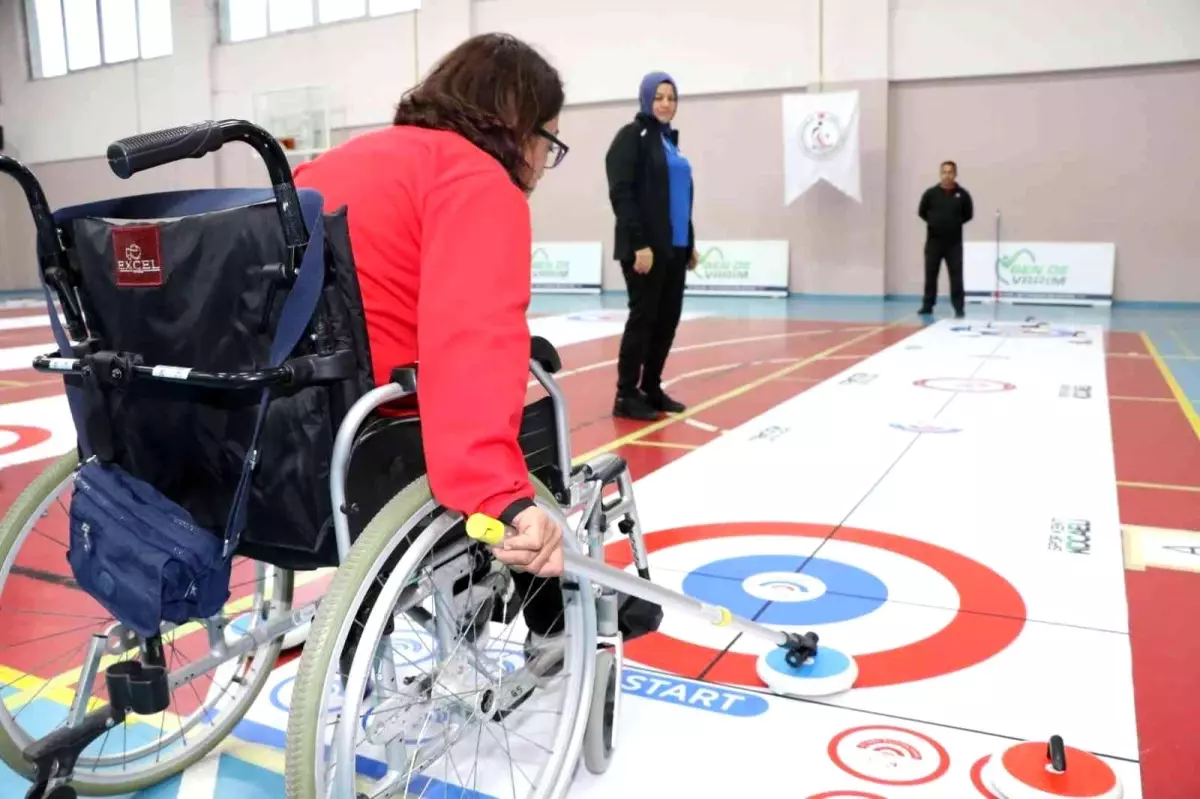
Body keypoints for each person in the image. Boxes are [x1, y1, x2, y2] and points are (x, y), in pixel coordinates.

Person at [291, 33, 569, 658]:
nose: (542, 162)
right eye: (548, 140)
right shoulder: (477, 182)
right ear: (521, 125)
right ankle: (551, 614)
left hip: (290, 435)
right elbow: (473, 341)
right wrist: (503, 497)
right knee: (532, 402)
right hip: (380, 435)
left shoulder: (330, 164)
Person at [605, 71, 697, 421]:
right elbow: (621, 192)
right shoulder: (633, 137)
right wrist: (639, 243)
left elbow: (680, 199)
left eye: (671, 98)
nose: (665, 104)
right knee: (643, 320)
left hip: (674, 248)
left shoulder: (670, 142)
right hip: (645, 249)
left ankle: (652, 387)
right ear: (646, 99)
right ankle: (626, 394)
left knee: (666, 321)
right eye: (659, 97)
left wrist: (690, 242)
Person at [917, 160, 974, 318]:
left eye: (950, 172)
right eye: (944, 172)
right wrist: (936, 223)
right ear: (940, 174)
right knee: (930, 275)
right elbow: (922, 212)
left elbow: (968, 214)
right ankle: (927, 305)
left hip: (954, 244)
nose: (947, 175)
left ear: (955, 174)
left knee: (956, 275)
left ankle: (958, 307)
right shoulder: (930, 194)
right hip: (934, 242)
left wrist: (953, 223)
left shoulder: (962, 194)